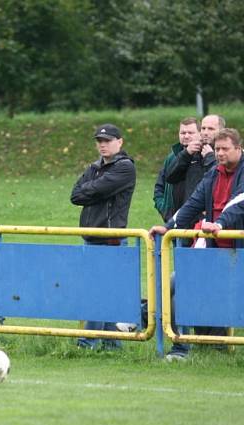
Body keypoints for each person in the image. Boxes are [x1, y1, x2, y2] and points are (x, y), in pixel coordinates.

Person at [151, 127, 244, 361]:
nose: (220, 153)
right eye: (217, 149)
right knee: (174, 285)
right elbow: (193, 203)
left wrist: (220, 225)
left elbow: (239, 203)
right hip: (214, 250)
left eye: (225, 149)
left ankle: (214, 347)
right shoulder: (213, 173)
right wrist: (170, 226)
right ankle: (185, 346)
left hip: (237, 249)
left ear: (239, 149)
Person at [70, 124, 136, 349]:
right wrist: (94, 189)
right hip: (91, 237)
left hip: (110, 239)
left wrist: (92, 189)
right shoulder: (94, 167)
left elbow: (91, 190)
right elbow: (75, 195)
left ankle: (86, 342)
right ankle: (112, 345)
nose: (102, 144)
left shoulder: (125, 167)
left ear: (120, 142)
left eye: (107, 141)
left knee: (100, 292)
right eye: (99, 141)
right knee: (100, 292)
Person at [161, 115, 223, 221]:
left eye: (211, 129)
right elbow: (170, 177)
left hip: (213, 220)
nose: (206, 132)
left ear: (222, 131)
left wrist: (210, 158)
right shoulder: (191, 153)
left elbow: (221, 181)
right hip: (187, 218)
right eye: (203, 128)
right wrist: (186, 154)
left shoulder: (225, 153)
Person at [154, 118, 201, 222]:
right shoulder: (172, 157)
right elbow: (160, 186)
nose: (186, 136)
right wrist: (164, 209)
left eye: (191, 132)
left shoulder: (204, 156)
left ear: (199, 134)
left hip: (197, 218)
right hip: (173, 218)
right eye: (183, 132)